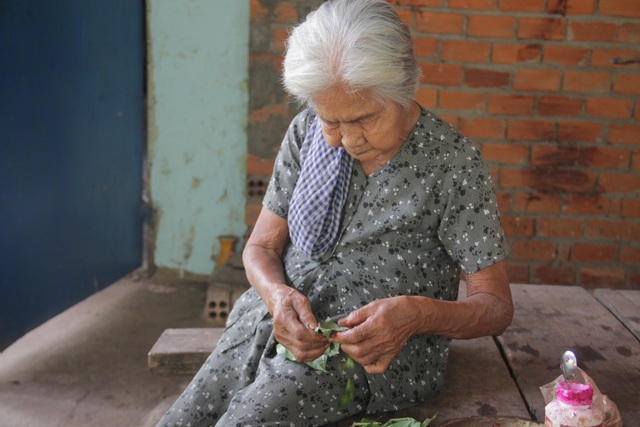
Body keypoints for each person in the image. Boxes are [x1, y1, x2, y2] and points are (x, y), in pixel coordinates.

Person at [156, 0, 513, 426]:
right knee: (182, 420)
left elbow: (495, 306)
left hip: (371, 357)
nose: (344, 139)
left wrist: (415, 314)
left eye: (364, 119)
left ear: (403, 89)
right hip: (273, 326)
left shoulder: (451, 164)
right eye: (331, 120)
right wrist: (276, 296)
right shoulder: (306, 131)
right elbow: (261, 247)